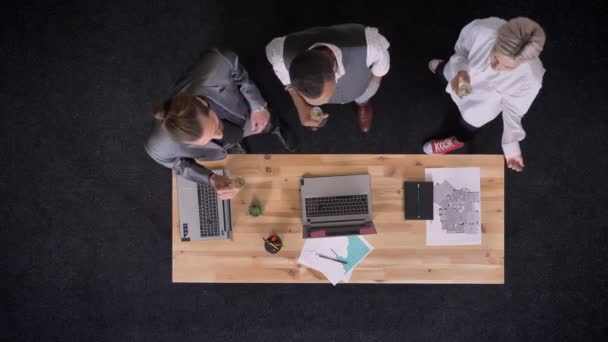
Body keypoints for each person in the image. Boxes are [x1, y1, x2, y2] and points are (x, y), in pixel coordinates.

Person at [145, 48, 298, 199]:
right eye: (208, 139)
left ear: (202, 102)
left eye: (216, 126)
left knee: (267, 122)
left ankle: (275, 126)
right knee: (230, 138)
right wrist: (211, 178)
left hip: (239, 112)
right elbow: (178, 165)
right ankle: (234, 141)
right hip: (226, 127)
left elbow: (235, 67)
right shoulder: (158, 147)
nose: (220, 135)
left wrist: (258, 107)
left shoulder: (217, 63)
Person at [424, 17, 546, 172]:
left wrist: (511, 147)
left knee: (467, 126)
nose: (495, 67)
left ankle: (458, 141)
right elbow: (462, 50)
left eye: (507, 67)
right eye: (495, 56)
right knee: (446, 73)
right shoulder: (482, 29)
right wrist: (460, 69)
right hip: (460, 75)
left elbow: (514, 111)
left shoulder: (531, 80)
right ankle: (443, 70)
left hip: (481, 106)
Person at [266, 23, 390, 132]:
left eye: (327, 98)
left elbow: (380, 68)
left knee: (364, 96)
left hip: (361, 83)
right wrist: (301, 106)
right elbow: (288, 83)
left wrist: (370, 90)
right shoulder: (278, 55)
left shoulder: (370, 46)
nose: (330, 100)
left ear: (334, 69)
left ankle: (363, 104)